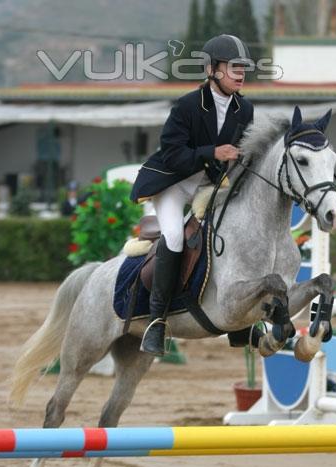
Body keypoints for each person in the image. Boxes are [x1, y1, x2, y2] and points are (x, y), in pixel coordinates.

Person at [130, 34, 255, 356]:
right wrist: (212, 150)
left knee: (232, 231)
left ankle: (240, 321)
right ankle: (157, 321)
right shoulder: (187, 105)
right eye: (234, 67)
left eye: (244, 68)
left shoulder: (245, 108)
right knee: (173, 237)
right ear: (213, 69)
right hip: (174, 182)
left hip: (208, 184)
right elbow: (172, 154)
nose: (241, 73)